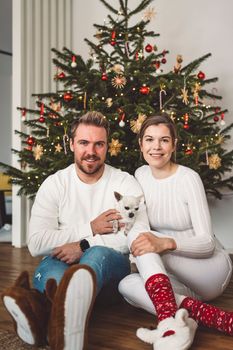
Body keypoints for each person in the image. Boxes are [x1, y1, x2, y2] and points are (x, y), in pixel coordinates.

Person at [2, 111, 148, 350]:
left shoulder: (124, 183)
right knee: (57, 283)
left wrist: (83, 245)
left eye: (99, 144)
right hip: (60, 260)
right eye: (83, 143)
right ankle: (64, 330)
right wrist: (90, 227)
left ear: (107, 146)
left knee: (96, 254)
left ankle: (39, 318)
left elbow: (135, 237)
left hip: (108, 273)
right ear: (70, 144)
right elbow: (37, 243)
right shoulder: (55, 184)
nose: (91, 151)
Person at [119, 113, 233, 348]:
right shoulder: (140, 175)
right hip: (175, 278)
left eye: (164, 140)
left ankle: (166, 320)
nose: (156, 147)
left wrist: (166, 243)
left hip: (209, 269)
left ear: (174, 145)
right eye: (149, 140)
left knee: (139, 235)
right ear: (141, 144)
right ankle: (185, 320)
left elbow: (207, 243)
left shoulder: (188, 179)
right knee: (126, 285)